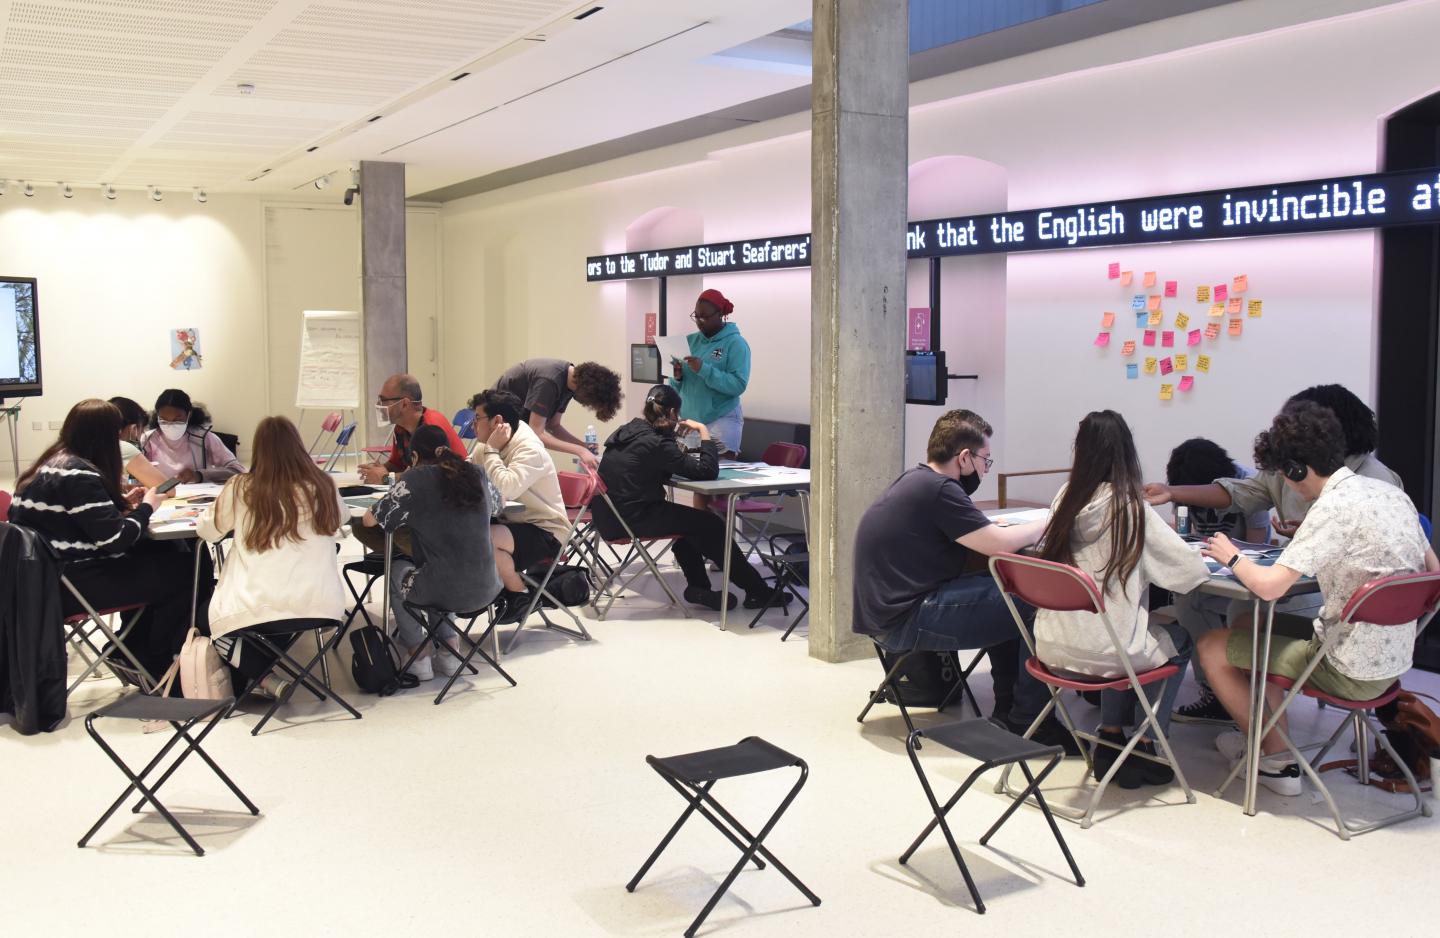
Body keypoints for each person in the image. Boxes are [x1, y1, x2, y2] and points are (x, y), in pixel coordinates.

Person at [1197, 402, 1438, 795]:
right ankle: (1268, 740)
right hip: (1393, 665)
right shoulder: (1392, 494)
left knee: (1211, 646)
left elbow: (1269, 586)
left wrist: (1232, 556)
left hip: (1345, 666)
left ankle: (1274, 758)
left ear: (1295, 469)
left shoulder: (1331, 508)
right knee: (1249, 624)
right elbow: (1432, 571)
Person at [1145, 385, 1404, 723]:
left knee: (1238, 624)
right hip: (1387, 654)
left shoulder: (1359, 487)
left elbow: (1272, 586)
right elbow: (1242, 492)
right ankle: (1234, 702)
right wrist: (1172, 492)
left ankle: (1268, 745)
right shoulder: (1350, 483)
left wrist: (1233, 556)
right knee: (1214, 608)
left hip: (1337, 619)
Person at [851, 409, 1076, 752]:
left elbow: (979, 535)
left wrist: (1000, 533)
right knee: (1030, 600)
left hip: (885, 615)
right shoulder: (941, 489)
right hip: (905, 620)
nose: (986, 469)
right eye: (986, 460)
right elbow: (998, 544)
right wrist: (1052, 520)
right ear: (965, 457)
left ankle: (1009, 707)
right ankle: (1032, 720)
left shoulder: (916, 479)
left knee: (1005, 591)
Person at [1035, 411, 1208, 788]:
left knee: (1119, 632)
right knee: (1175, 639)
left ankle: (1109, 738)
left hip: (1052, 647)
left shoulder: (1064, 499)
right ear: (1127, 452)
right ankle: (1146, 745)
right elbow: (1188, 573)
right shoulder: (1130, 508)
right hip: (1110, 654)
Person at [10, 399, 206, 686]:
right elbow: (116, 540)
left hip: (45, 579)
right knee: (190, 568)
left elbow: (73, 520)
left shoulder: (49, 465)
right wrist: (147, 506)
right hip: (72, 585)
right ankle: (156, 659)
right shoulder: (80, 474)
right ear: (107, 436)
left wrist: (119, 504)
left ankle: (129, 651)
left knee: (162, 552)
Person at [591, 384, 783, 612]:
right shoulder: (656, 443)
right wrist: (703, 432)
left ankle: (699, 588)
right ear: (673, 413)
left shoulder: (629, 432)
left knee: (693, 527)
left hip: (608, 516)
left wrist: (671, 439)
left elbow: (653, 462)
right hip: (634, 517)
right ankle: (758, 592)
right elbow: (707, 471)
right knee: (710, 523)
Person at [196, 417, 347, 698]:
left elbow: (207, 531)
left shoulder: (242, 487)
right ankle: (270, 675)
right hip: (323, 606)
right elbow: (344, 517)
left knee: (206, 620)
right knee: (275, 616)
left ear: (258, 450)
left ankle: (266, 678)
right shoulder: (323, 485)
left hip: (255, 605)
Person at [362, 424, 503, 681]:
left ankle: (419, 654)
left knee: (401, 572)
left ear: (414, 457)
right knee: (436, 568)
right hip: (488, 587)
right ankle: (450, 651)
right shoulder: (477, 474)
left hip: (442, 587)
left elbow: (371, 520)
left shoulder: (416, 479)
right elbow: (499, 506)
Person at [1162, 437, 1270, 725]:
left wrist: (1233, 565)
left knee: (1240, 611)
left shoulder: (1246, 483)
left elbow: (1259, 544)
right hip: (1210, 568)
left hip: (1243, 574)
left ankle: (1239, 695)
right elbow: (1184, 531)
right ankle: (1212, 689)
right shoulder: (1181, 484)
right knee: (1186, 599)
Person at [469, 389, 569, 625]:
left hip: (545, 530)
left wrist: (492, 450)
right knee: (469, 536)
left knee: (482, 539)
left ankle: (519, 595)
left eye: (477, 418)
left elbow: (506, 490)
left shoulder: (528, 449)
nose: (472, 425)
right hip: (511, 523)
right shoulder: (485, 446)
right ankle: (500, 592)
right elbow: (469, 474)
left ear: (497, 422)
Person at [353, 373, 467, 556]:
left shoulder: (432, 427)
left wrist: (385, 477)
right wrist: (380, 469)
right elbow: (395, 463)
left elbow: (434, 477)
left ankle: (426, 561)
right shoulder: (401, 428)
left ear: (404, 404)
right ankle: (404, 561)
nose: (379, 405)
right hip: (418, 501)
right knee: (361, 528)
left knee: (397, 530)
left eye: (383, 400)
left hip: (442, 507)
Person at [492, 358, 622, 470]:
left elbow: (553, 426)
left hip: (514, 427)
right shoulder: (549, 381)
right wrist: (580, 451)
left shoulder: (569, 383)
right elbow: (536, 434)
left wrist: (583, 446)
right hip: (496, 423)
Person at [668, 288, 750, 457]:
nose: (699, 321)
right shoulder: (690, 341)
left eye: (704, 317)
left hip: (720, 420)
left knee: (717, 478)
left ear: (719, 314)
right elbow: (676, 386)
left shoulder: (736, 343)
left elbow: (738, 385)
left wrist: (704, 369)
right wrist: (677, 377)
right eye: (696, 316)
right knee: (686, 477)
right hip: (690, 422)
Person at [141, 388, 246, 483]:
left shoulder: (204, 438)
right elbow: (133, 475)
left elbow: (237, 470)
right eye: (164, 420)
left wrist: (199, 475)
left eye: (177, 419)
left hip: (197, 497)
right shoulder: (147, 439)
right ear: (157, 416)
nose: (170, 425)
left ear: (189, 415)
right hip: (159, 495)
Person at [109, 395, 166, 488]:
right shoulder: (124, 447)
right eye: (142, 430)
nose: (142, 434)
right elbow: (166, 488)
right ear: (134, 429)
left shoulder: (96, 445)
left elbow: (129, 482)